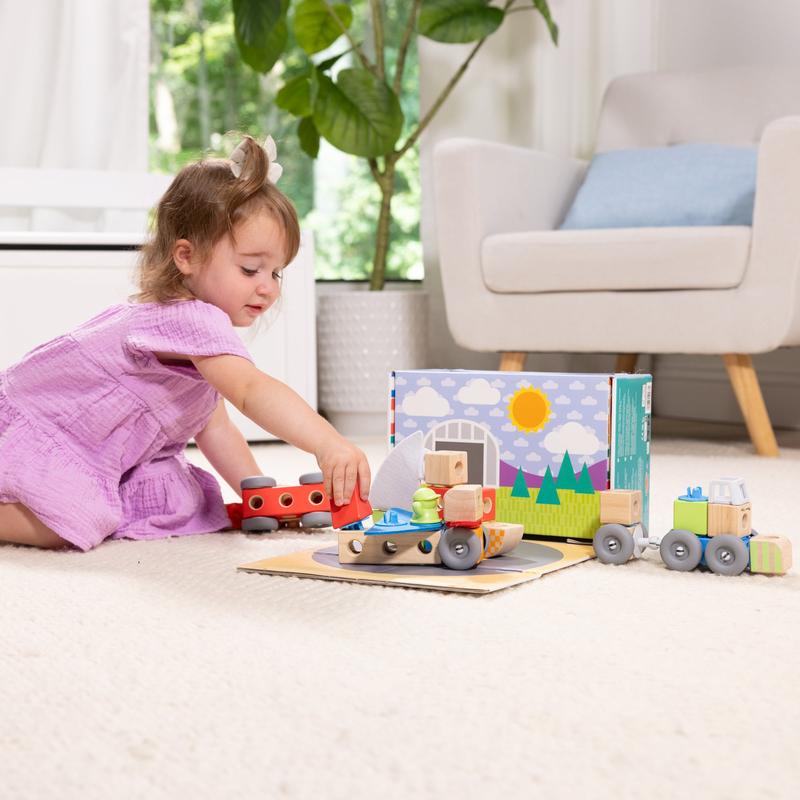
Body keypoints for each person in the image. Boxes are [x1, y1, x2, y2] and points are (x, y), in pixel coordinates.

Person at [0, 135, 371, 551]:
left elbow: (217, 429)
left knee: (184, 502)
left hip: (104, 448)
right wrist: (327, 442)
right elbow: (251, 390)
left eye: (276, 273)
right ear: (186, 257)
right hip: (54, 426)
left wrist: (258, 497)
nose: (268, 287)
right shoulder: (189, 317)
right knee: (67, 522)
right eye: (251, 270)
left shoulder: (198, 344)